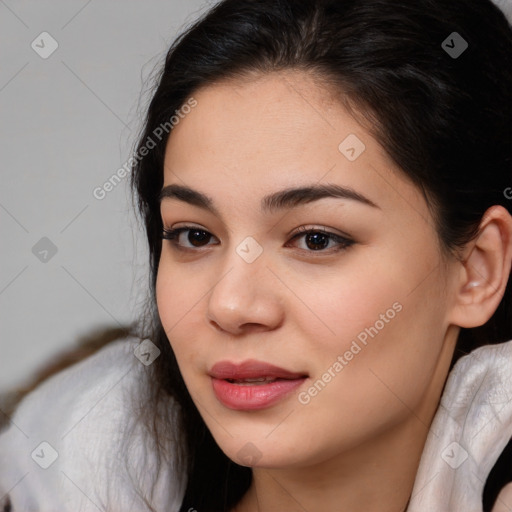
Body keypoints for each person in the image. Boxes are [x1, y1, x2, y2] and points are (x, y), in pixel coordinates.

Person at [1, 0, 512, 510]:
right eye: (195, 236)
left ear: (476, 270)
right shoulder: (71, 475)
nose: (230, 305)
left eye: (316, 239)